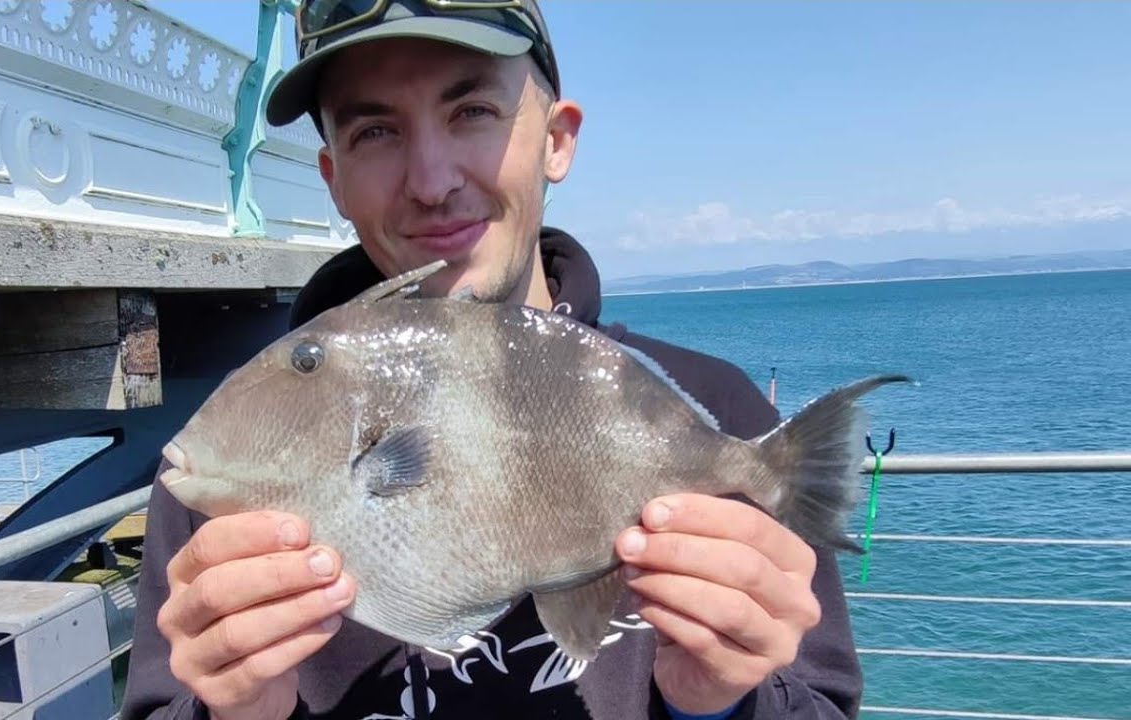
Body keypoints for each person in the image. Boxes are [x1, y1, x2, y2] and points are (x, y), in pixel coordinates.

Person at [122, 1, 864, 718]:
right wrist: (239, 715)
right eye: (375, 130)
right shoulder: (216, 481)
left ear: (557, 138)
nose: (432, 181)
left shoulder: (722, 413)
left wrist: (719, 704)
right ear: (333, 179)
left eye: (472, 112)